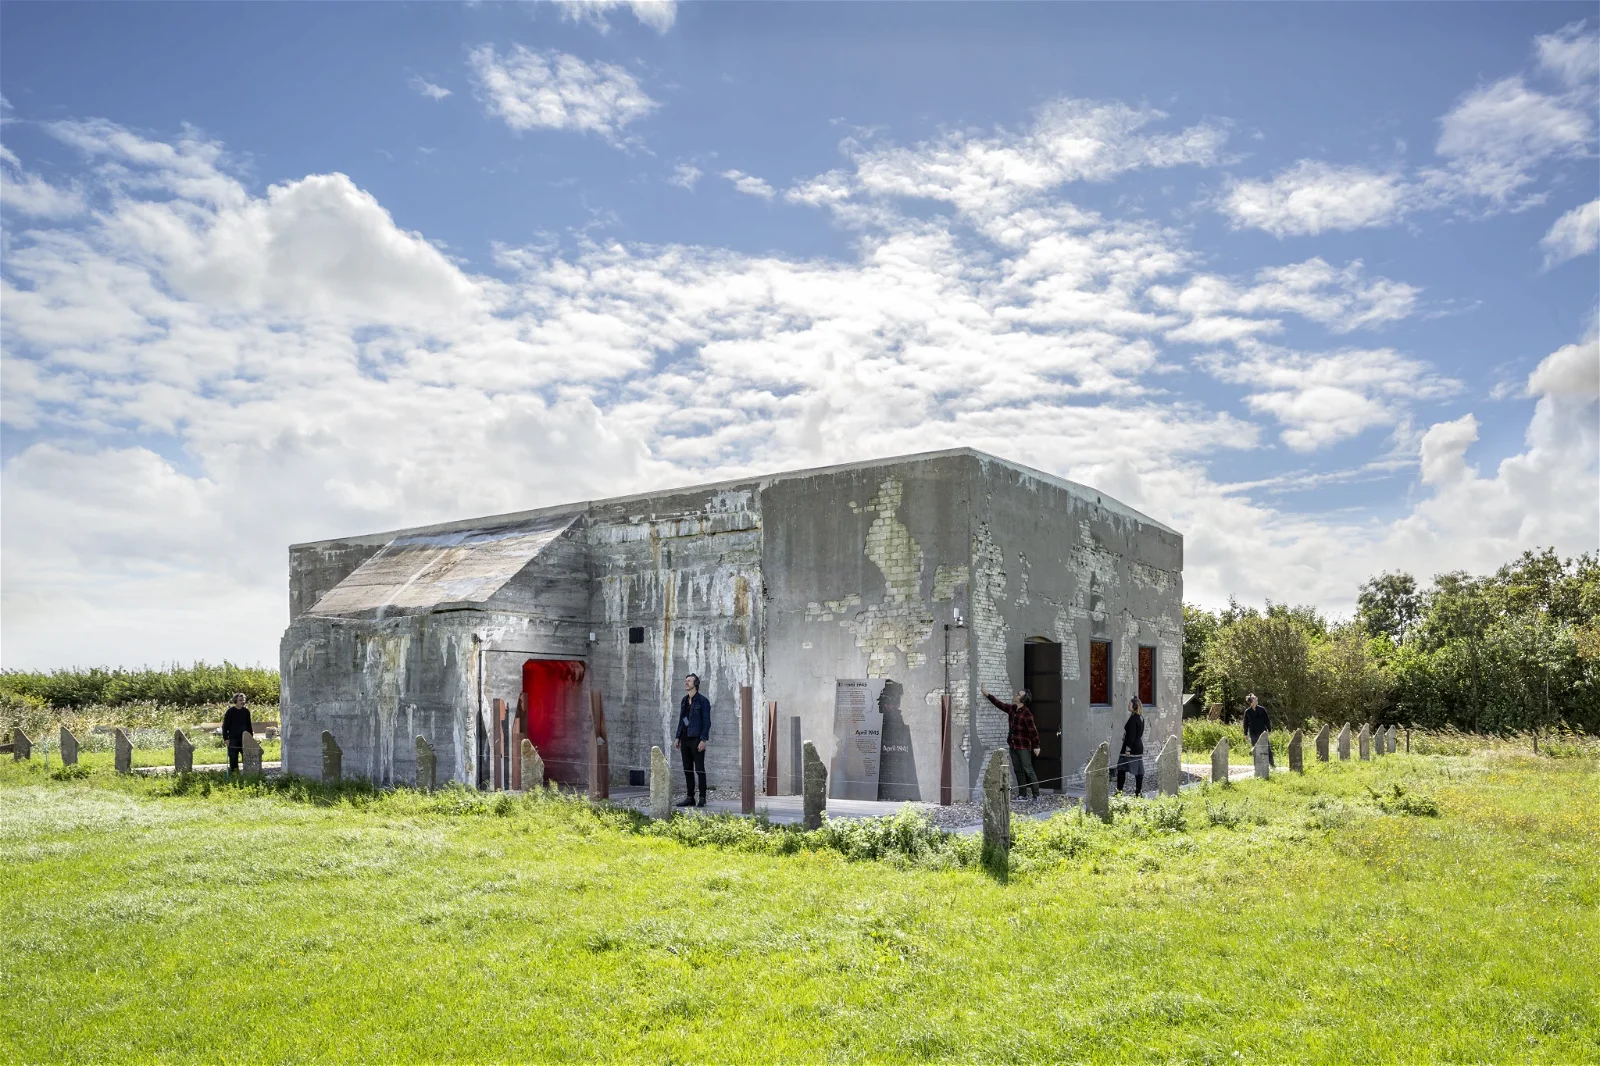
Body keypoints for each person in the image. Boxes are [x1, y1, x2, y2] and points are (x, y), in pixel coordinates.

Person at [981, 686, 1041, 800]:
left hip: (1023, 747)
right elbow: (999, 704)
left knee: (1028, 770)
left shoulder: (1027, 714)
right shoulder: (1012, 709)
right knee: (1018, 770)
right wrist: (987, 694)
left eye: (1018, 694)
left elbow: (1033, 731)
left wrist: (1036, 746)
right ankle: (1023, 794)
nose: (1016, 695)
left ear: (1022, 699)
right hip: (1013, 746)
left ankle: (1036, 795)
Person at [673, 673, 711, 807]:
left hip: (697, 739)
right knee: (687, 769)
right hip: (685, 740)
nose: (686, 682)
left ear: (696, 684)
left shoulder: (703, 701)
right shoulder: (684, 700)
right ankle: (690, 798)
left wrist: (703, 740)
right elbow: (682, 720)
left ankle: (702, 798)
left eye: (689, 681)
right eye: (686, 680)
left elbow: (707, 722)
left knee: (699, 769)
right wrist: (678, 737)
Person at [1118, 697, 1145, 796]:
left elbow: (1131, 736)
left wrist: (1127, 749)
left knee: (1121, 769)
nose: (1128, 705)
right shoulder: (1141, 718)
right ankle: (1138, 792)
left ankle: (1119, 792)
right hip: (1138, 747)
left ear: (1134, 706)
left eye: (1130, 704)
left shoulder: (1133, 719)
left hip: (1131, 748)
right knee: (1138, 770)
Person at [221, 692, 254, 777]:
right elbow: (225, 726)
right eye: (240, 700)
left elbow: (249, 725)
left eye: (244, 700)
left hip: (244, 738)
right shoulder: (230, 712)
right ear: (236, 700)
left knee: (247, 757)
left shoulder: (246, 711)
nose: (242, 702)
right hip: (233, 738)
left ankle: (248, 774)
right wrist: (226, 738)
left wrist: (251, 737)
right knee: (233, 758)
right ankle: (234, 774)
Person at [1242, 692, 1275, 767]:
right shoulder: (1247, 712)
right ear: (1251, 701)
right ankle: (1257, 765)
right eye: (1254, 698)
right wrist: (1245, 733)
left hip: (1262, 731)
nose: (1256, 699)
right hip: (1253, 732)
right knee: (1256, 748)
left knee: (1267, 747)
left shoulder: (1262, 709)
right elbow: (1245, 723)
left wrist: (1269, 730)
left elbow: (1267, 720)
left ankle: (1272, 764)